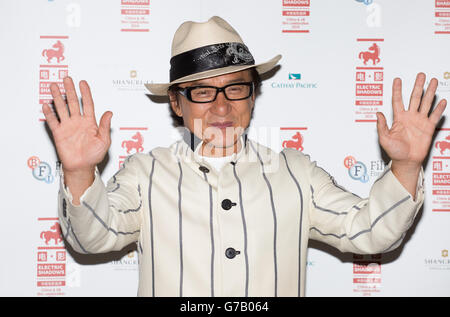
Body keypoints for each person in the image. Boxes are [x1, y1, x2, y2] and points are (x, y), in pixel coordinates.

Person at [43, 16, 446, 297]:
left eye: (235, 88)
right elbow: (92, 239)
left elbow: (370, 232)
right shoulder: (145, 173)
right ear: (176, 104)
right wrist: (79, 171)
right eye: (202, 91)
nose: (221, 108)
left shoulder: (296, 171)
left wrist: (407, 165)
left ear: (253, 95)